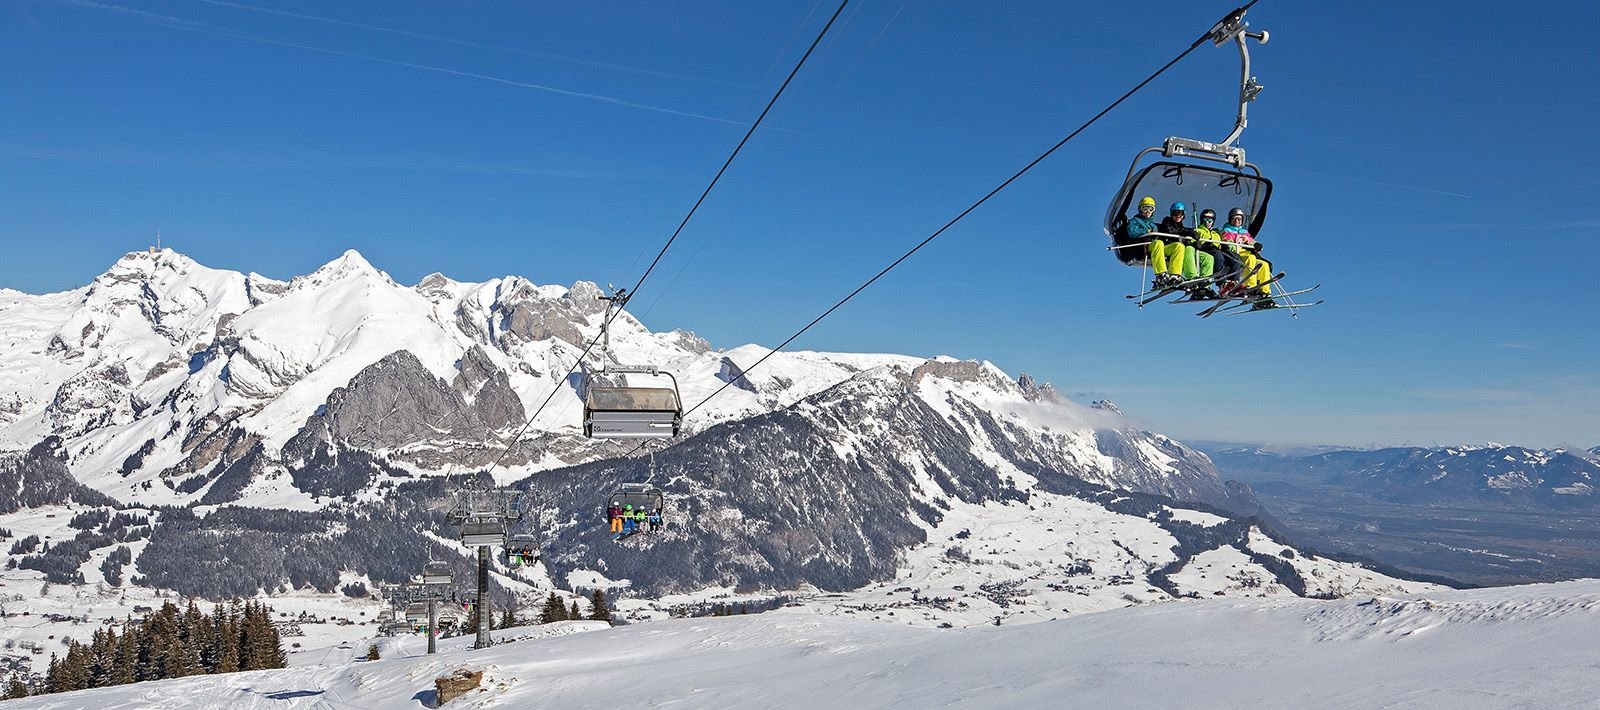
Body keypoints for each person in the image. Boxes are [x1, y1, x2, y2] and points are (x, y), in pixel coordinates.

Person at [1127, 196, 1182, 289]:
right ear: (1140, 210)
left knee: (1178, 246)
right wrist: (1146, 232)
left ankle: (1174, 275)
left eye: (1151, 209)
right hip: (1144, 246)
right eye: (1145, 209)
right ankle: (1161, 275)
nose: (1148, 212)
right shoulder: (1135, 221)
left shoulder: (1153, 224)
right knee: (1158, 243)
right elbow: (1132, 232)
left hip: (1157, 248)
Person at [1220, 208, 1266, 298]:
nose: (1237, 221)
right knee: (1251, 258)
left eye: (1239, 219)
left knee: (1263, 265)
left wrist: (1255, 245)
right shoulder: (1226, 231)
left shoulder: (1244, 232)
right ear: (1230, 220)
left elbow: (1251, 242)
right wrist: (1242, 245)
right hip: (1236, 256)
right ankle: (1250, 286)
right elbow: (1228, 245)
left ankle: (1264, 291)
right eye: (1235, 219)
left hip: (1246, 256)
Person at [1192, 209, 1233, 298]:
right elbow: (1191, 239)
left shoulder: (1216, 233)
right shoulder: (1198, 230)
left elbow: (1221, 243)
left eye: (1210, 220)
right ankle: (1221, 283)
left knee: (1233, 257)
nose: (1208, 222)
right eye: (1205, 219)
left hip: (1216, 251)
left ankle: (1233, 282)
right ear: (1202, 220)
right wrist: (1195, 242)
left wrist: (1225, 246)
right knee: (1218, 255)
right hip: (1204, 250)